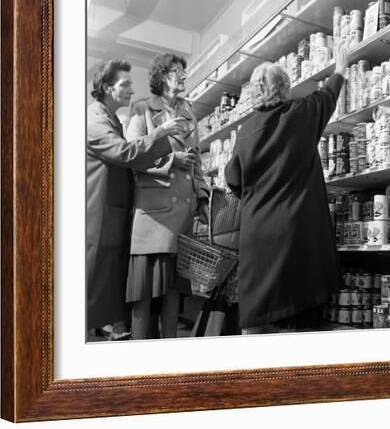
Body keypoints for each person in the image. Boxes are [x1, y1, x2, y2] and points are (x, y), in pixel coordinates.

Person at [224, 44, 349, 334]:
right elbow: (328, 95)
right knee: (298, 319)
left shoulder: (245, 132)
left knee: (259, 321)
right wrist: (340, 70)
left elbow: (234, 180)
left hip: (257, 235)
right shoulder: (301, 113)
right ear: (285, 88)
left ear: (255, 93)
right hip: (295, 233)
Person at [86, 59, 186, 341]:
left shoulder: (112, 118)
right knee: (94, 285)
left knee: (106, 288)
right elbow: (126, 154)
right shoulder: (94, 119)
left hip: (115, 213)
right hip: (100, 213)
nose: (132, 89)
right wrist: (160, 134)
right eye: (125, 84)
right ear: (107, 87)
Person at [126, 53, 209, 340]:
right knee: (144, 292)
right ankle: (138, 358)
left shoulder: (190, 113)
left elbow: (197, 160)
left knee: (173, 291)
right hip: (153, 214)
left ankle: (170, 353)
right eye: (176, 72)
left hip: (182, 214)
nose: (183, 77)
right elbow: (131, 155)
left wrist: (202, 197)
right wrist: (169, 159)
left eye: (183, 72)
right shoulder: (142, 109)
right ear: (162, 77)